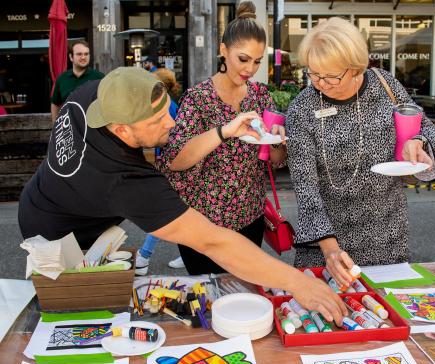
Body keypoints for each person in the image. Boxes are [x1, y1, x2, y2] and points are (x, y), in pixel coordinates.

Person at [18, 66, 346, 323]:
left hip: (50, 191)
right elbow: (212, 240)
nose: (172, 122)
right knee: (83, 318)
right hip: (56, 237)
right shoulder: (123, 181)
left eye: (167, 109)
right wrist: (298, 283)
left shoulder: (97, 92)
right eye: (157, 119)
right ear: (121, 129)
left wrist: (224, 130)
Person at [286, 17, 435, 291]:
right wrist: (331, 251)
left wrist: (418, 142)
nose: (321, 83)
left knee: (386, 318)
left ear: (357, 67)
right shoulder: (302, 109)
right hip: (327, 242)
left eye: (331, 76)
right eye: (314, 74)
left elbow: (423, 124)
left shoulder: (385, 86)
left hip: (386, 235)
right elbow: (306, 190)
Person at [156, 1, 287, 275]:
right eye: (243, 58)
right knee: (209, 301)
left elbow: (274, 160)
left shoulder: (260, 96)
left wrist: (277, 142)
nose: (250, 69)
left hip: (250, 216)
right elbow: (176, 160)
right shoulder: (199, 98)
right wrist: (224, 131)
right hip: (203, 224)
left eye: (257, 61)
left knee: (244, 296)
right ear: (223, 51)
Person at [135, 67, 184, 275]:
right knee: (177, 210)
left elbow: (170, 138)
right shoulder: (170, 104)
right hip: (170, 163)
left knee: (164, 210)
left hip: (171, 164)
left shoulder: (168, 106)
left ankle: (144, 256)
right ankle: (187, 253)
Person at [51, 41, 104, 122]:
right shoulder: (62, 79)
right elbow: (55, 103)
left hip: (92, 129)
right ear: (71, 57)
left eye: (86, 54)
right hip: (69, 129)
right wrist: (55, 124)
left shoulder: (99, 78)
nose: (83, 57)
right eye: (79, 54)